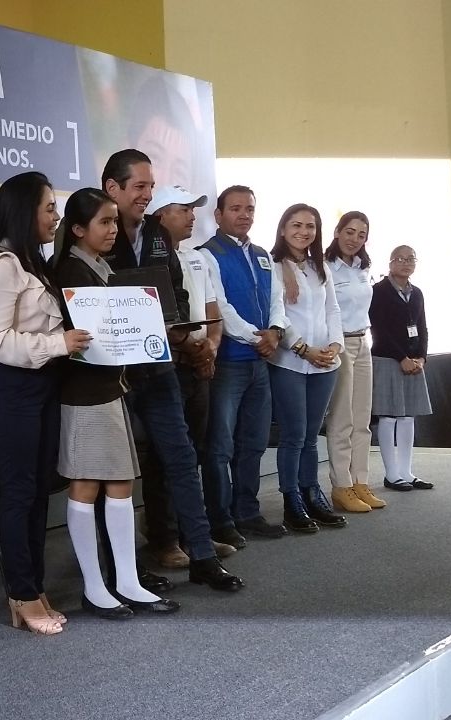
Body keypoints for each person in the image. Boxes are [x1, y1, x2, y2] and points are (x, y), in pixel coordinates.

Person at [102, 152, 243, 593]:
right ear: (113, 188)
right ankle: (122, 570)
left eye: (150, 186)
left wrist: (185, 338)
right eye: (139, 186)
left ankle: (201, 554)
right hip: (113, 377)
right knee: (116, 473)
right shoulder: (92, 233)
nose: (146, 194)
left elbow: (178, 296)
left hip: (161, 367)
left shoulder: (158, 237)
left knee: (182, 459)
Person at [0, 171, 87, 635]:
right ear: (23, 211)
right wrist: (60, 344)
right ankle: (20, 592)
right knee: (18, 494)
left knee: (38, 491)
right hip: (11, 389)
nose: (56, 217)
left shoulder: (32, 262)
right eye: (48, 208)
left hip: (42, 386)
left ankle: (32, 586)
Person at [51, 188, 179, 619]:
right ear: (78, 229)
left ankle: (126, 579)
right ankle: (95, 586)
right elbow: (88, 336)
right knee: (86, 486)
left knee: (121, 483)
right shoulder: (70, 270)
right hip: (85, 393)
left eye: (113, 222)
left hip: (110, 387)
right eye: (104, 222)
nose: (112, 230)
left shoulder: (99, 267)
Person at [143, 186, 232, 562]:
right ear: (161, 215)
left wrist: (211, 344)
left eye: (194, 210)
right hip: (170, 364)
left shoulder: (199, 259)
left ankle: (193, 532)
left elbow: (213, 308)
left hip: (200, 363)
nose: (193, 216)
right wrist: (189, 348)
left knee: (191, 454)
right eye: (184, 209)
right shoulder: (148, 257)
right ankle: (164, 538)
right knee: (164, 457)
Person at [200, 185, 288, 544]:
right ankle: (220, 520)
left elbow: (276, 299)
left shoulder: (264, 255)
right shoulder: (207, 255)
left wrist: (277, 331)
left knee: (253, 443)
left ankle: (247, 513)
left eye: (249, 209)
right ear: (218, 215)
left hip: (260, 365)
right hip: (229, 365)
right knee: (220, 447)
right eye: (235, 208)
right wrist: (259, 338)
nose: (244, 215)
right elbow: (218, 308)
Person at [266, 204, 347, 533]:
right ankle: (291, 501)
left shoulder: (320, 266)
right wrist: (304, 348)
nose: (303, 231)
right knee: (293, 437)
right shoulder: (271, 266)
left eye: (310, 226)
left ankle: (312, 492)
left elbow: (334, 311)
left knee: (312, 437)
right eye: (296, 225)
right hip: (290, 361)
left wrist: (335, 346)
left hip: (326, 364)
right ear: (283, 229)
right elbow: (276, 315)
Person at [324, 212, 386, 512]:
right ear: (337, 232)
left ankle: (361, 481)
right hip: (340, 344)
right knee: (342, 419)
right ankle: (341, 485)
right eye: (349, 232)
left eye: (361, 234)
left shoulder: (363, 267)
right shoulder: (324, 267)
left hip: (363, 342)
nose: (354, 239)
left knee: (362, 419)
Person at [370, 245, 434, 492]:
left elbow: (423, 327)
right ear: (390, 263)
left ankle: (407, 472)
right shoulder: (379, 291)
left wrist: (422, 358)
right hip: (387, 359)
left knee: (408, 416)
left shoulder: (416, 292)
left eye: (411, 259)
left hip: (414, 361)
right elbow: (379, 330)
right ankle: (391, 474)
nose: (406, 263)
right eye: (400, 259)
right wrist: (401, 357)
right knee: (388, 416)